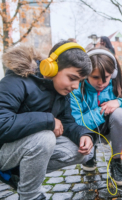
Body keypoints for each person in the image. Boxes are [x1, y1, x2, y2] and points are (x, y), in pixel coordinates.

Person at [0, 41, 95, 200]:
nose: (76, 86)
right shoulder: (16, 80)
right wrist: (48, 120)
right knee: (45, 138)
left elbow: (67, 122)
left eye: (80, 81)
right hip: (4, 148)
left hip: (26, 147)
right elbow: (2, 123)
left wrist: (83, 134)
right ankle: (30, 195)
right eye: (72, 78)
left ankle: (18, 174)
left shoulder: (61, 90)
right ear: (51, 67)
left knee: (84, 152)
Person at [70, 47, 122, 186]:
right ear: (86, 73)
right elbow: (77, 122)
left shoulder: (118, 87)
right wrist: (102, 110)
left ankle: (116, 162)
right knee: (85, 135)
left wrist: (119, 102)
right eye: (95, 77)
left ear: (113, 74)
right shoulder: (76, 90)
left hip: (109, 131)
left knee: (119, 113)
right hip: (87, 132)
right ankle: (90, 153)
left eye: (106, 77)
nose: (101, 82)